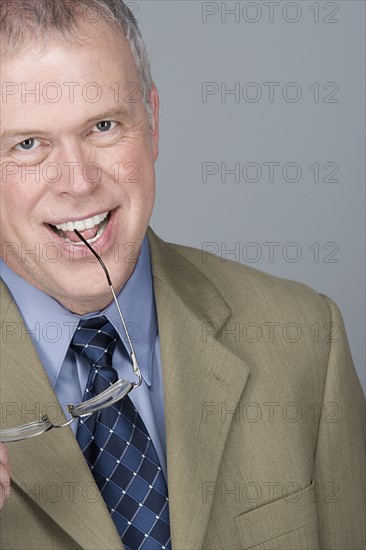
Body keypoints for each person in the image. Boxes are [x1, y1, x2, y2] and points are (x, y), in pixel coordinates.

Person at [0, 1, 364, 549]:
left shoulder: (307, 338)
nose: (77, 181)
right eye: (28, 144)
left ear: (152, 121)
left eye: (103, 126)